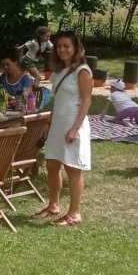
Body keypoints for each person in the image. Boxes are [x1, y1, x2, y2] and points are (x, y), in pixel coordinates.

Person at [35, 30, 92, 226]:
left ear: (75, 48)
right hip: (57, 124)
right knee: (52, 165)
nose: (62, 49)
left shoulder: (82, 71)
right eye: (59, 46)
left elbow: (86, 102)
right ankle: (53, 205)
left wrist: (75, 128)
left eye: (66, 46)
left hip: (73, 125)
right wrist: (48, 124)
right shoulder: (59, 71)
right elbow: (58, 101)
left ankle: (74, 213)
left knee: (72, 169)